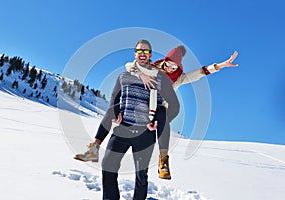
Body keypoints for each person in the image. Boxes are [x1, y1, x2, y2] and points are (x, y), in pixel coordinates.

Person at [74, 45, 239, 181]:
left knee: (163, 115)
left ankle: (163, 161)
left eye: (174, 67)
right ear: (165, 61)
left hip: (158, 110)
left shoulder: (177, 78)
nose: (170, 68)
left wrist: (220, 66)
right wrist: (140, 73)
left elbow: (199, 74)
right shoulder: (151, 69)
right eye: (168, 64)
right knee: (112, 109)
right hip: (139, 106)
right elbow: (129, 66)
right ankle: (94, 148)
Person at [77, 39, 180, 200]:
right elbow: (114, 98)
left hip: (145, 134)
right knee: (108, 167)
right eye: (139, 51)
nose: (142, 54)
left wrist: (161, 122)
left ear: (150, 54)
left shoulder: (161, 79)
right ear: (135, 54)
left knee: (141, 176)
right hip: (122, 130)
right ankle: (94, 150)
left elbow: (174, 106)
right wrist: (115, 114)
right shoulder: (124, 76)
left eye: (146, 51)